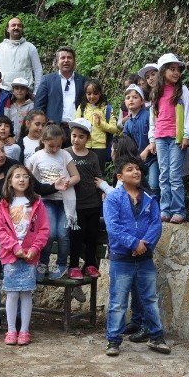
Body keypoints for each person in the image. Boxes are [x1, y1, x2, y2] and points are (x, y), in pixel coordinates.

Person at [103, 159, 170, 357]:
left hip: (144, 257)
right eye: (129, 169)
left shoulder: (150, 198)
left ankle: (157, 337)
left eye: (138, 169)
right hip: (121, 258)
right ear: (120, 177)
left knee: (150, 298)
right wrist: (134, 244)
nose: (136, 172)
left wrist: (144, 245)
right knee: (118, 301)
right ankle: (113, 341)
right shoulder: (113, 198)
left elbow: (156, 225)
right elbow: (113, 227)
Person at [0, 164, 49, 345]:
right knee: (12, 293)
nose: (21, 179)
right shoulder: (3, 204)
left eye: (25, 176)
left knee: (26, 293)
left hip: (30, 255)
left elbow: (43, 229)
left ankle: (24, 331)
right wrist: (13, 247)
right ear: (10, 181)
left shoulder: (36, 203)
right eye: (17, 176)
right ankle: (11, 330)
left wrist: (34, 249)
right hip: (10, 255)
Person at [26, 123, 80, 280]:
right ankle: (42, 263)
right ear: (43, 140)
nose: (55, 149)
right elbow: (29, 178)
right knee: (49, 234)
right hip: (46, 200)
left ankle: (62, 264)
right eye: (51, 146)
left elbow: (76, 176)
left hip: (65, 200)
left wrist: (67, 183)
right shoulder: (36, 157)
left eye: (58, 145)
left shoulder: (65, 155)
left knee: (63, 233)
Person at [150, 53, 189, 223]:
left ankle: (179, 210)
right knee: (163, 174)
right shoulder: (156, 92)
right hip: (160, 137)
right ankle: (165, 209)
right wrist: (152, 138)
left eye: (178, 70)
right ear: (162, 71)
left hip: (176, 138)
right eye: (172, 69)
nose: (176, 73)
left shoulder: (182, 90)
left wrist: (187, 135)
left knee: (174, 174)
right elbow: (153, 117)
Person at [68, 118, 104, 280]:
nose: (76, 140)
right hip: (75, 204)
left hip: (93, 203)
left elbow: (98, 176)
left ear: (88, 138)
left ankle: (90, 264)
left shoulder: (93, 156)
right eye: (74, 135)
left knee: (91, 235)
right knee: (76, 236)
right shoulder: (66, 153)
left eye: (81, 137)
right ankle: (74, 266)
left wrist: (103, 189)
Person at [34, 46, 85, 133]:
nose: (66, 60)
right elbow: (39, 107)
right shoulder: (47, 80)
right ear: (57, 62)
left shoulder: (83, 81)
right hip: (53, 129)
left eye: (69, 58)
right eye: (62, 58)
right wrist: (43, 126)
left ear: (74, 62)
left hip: (77, 129)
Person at [0, 16, 44, 93]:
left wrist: (36, 92)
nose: (16, 27)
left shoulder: (30, 47)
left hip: (25, 93)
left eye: (19, 25)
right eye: (13, 25)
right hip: (3, 93)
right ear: (7, 29)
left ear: (22, 29)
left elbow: (38, 70)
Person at [120, 84, 157, 194]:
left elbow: (155, 132)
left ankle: (158, 209)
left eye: (135, 97)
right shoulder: (128, 124)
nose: (131, 100)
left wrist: (146, 150)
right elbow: (127, 144)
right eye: (128, 98)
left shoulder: (148, 115)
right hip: (138, 162)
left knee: (154, 185)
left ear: (142, 101)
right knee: (142, 187)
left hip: (153, 158)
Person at [75, 78, 120, 170]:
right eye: (89, 93)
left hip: (100, 148)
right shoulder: (82, 108)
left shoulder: (106, 108)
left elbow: (114, 129)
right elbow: (75, 126)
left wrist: (101, 123)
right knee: (83, 173)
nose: (92, 96)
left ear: (100, 93)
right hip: (84, 146)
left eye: (95, 93)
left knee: (98, 174)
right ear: (85, 94)